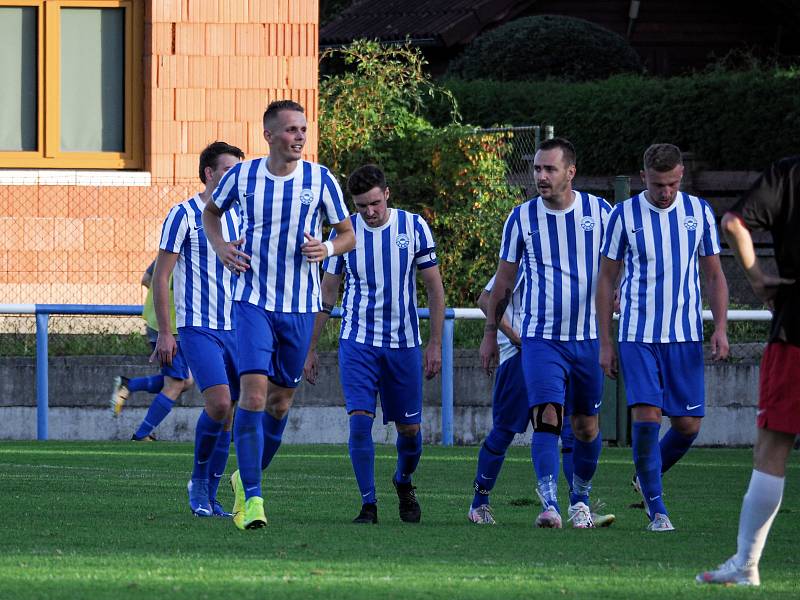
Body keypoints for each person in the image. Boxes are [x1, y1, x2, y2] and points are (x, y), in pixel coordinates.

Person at [202, 100, 356, 531]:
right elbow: (210, 214)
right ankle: (253, 498)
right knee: (251, 397)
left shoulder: (320, 180)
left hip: (300, 308)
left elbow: (347, 236)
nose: (300, 137)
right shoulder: (243, 176)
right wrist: (220, 247)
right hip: (252, 302)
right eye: (291, 130)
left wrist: (326, 249)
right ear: (268, 135)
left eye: (303, 129)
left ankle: (243, 476)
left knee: (280, 401)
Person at [596, 143, 730, 532]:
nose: (665, 192)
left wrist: (720, 327)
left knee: (688, 425)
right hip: (638, 334)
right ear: (643, 179)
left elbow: (715, 275)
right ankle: (657, 510)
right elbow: (606, 279)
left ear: (681, 176)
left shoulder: (699, 212)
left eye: (671, 184)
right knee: (648, 416)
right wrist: (606, 342)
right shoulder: (624, 216)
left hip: (685, 335)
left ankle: (646, 473)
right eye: (657, 184)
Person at [480, 138, 611, 529]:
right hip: (540, 339)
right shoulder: (520, 218)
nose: (540, 176)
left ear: (570, 172)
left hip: (587, 338)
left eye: (549, 169)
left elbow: (619, 263)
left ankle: (581, 501)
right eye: (537, 169)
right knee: (547, 419)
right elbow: (502, 283)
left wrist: (618, 293)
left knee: (586, 427)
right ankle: (550, 503)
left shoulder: (600, 212)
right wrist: (491, 332)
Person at [303, 164, 445, 525]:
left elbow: (434, 288)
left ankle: (403, 480)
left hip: (404, 345)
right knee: (359, 423)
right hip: (358, 343)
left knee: (410, 433)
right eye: (362, 205)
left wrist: (434, 345)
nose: (370, 211)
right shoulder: (344, 234)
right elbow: (328, 295)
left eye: (375, 203)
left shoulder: (413, 227)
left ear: (387, 194)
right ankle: (369, 504)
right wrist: (310, 348)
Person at [697, 157, 799, 586]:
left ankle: (746, 564)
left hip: (795, 332)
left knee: (771, 451)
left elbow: (733, 223)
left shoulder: (789, 174)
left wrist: (757, 277)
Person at [470, 270, 615, 527]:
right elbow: (485, 298)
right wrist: (516, 336)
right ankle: (479, 502)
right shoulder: (527, 256)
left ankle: (578, 506)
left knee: (571, 430)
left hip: (562, 350)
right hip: (519, 354)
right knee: (504, 431)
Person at [151, 141, 244, 517]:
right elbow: (161, 277)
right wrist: (165, 331)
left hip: (239, 325)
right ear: (209, 173)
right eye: (228, 170)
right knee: (218, 403)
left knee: (231, 412)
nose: (235, 177)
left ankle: (212, 493)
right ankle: (197, 482)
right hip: (198, 326)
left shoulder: (242, 216)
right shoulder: (184, 215)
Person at [110, 260, 194, 441]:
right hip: (170, 329)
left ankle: (128, 385)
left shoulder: (169, 250)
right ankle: (142, 434)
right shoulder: (192, 251)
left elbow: (146, 279)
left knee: (186, 381)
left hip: (159, 324)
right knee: (176, 383)